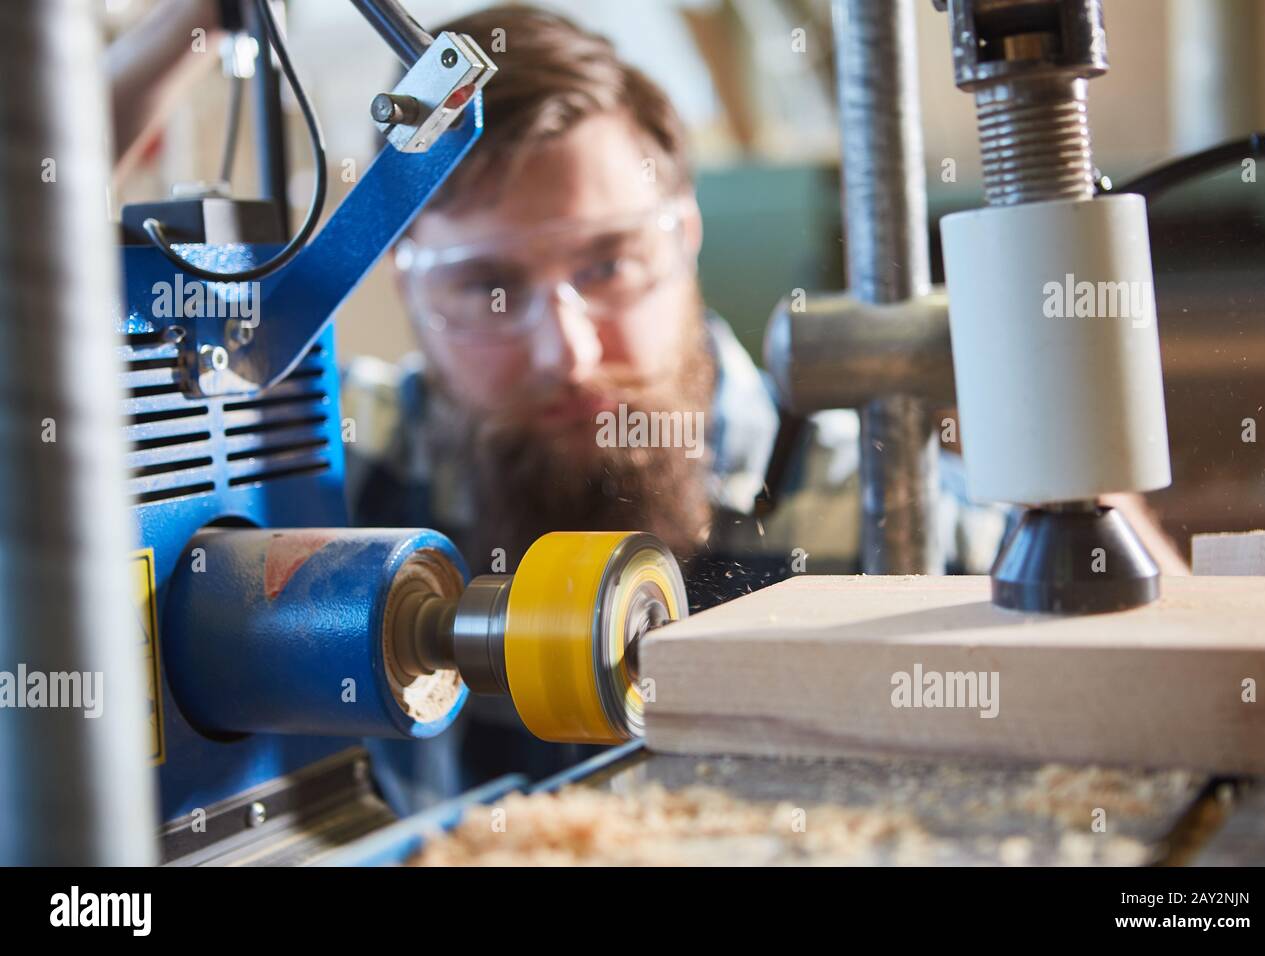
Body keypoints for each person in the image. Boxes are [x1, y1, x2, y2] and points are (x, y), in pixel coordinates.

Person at [340, 4, 1186, 809]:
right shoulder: (338, 473)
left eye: (608, 266)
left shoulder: (873, 502)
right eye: (487, 286)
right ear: (399, 281)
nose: (569, 352)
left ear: (685, 233)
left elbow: (1168, 689)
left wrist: (1070, 449)